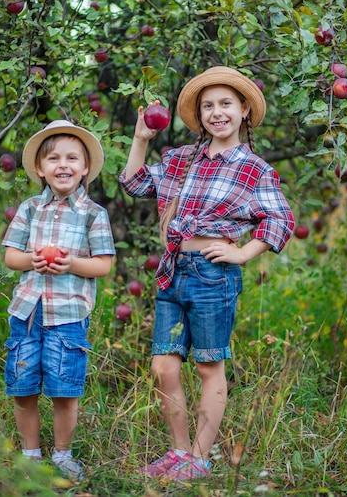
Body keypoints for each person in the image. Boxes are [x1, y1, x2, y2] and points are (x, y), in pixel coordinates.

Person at [119, 66, 295, 483]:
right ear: (200, 116)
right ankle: (179, 450)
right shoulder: (181, 159)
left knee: (208, 366)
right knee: (164, 366)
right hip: (173, 270)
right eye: (208, 106)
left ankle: (198, 458)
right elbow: (135, 183)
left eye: (226, 104)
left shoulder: (254, 169)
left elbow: (280, 219)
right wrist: (141, 139)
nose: (217, 112)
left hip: (213, 275)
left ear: (244, 110)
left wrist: (243, 252)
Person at [3, 119, 115, 480]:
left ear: (85, 168)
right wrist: (31, 259)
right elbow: (11, 257)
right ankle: (30, 454)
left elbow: (103, 265)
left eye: (72, 158)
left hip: (68, 315)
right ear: (40, 167)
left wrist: (71, 264)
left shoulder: (94, 214)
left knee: (65, 388)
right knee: (23, 386)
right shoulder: (29, 208)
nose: (62, 165)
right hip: (27, 311)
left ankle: (63, 454)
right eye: (53, 159)